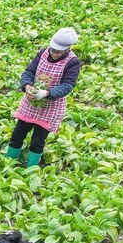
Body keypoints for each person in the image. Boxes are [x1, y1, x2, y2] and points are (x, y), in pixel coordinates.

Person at [7, 27, 82, 168]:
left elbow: (67, 85)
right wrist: (27, 86)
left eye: (58, 52)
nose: (54, 53)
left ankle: (31, 169)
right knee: (18, 133)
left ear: (68, 49)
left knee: (38, 140)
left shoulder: (73, 62)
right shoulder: (42, 53)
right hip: (31, 102)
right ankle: (8, 162)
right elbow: (29, 72)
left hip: (51, 106)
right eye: (53, 50)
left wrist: (47, 93)